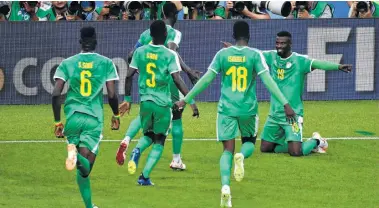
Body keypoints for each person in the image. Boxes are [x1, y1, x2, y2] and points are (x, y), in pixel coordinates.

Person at [175, 21, 296, 208]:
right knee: (248, 143)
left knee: (226, 151)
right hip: (247, 109)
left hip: (226, 110)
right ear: (249, 36)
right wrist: (286, 104)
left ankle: (225, 188)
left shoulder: (222, 54)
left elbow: (206, 79)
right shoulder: (255, 55)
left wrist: (186, 99)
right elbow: (269, 82)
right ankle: (241, 156)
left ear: (233, 36)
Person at [116, 2, 199, 171]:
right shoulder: (174, 33)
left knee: (145, 116)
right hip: (168, 81)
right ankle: (176, 159)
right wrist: (189, 71)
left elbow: (131, 55)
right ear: (174, 15)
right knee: (176, 119)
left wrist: (141, 72)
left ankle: (127, 139)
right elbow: (172, 52)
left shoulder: (147, 33)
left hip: (148, 84)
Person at [52, 26, 120, 208]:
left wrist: (57, 121)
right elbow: (112, 95)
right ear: (96, 41)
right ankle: (75, 155)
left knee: (82, 170)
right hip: (93, 120)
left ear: (80, 42)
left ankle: (89, 206)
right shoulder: (106, 63)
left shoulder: (67, 63)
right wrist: (116, 115)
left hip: (72, 118)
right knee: (85, 169)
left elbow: (55, 93)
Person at [259, 31, 352, 156]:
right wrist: (234, 48)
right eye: (277, 43)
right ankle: (288, 141)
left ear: (290, 44)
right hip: (274, 114)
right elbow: (253, 54)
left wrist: (338, 66)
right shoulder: (271, 56)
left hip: (292, 114)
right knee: (265, 148)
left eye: (283, 43)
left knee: (296, 152)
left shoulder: (299, 60)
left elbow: (318, 64)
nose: (279, 46)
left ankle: (317, 141)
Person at [123, 20, 191, 185]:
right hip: (162, 103)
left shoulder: (140, 51)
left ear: (150, 35)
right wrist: (190, 99)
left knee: (147, 135)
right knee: (159, 140)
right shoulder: (169, 54)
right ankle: (144, 176)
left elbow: (129, 75)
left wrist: (127, 99)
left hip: (145, 101)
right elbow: (177, 79)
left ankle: (136, 150)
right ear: (166, 35)